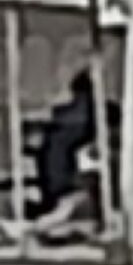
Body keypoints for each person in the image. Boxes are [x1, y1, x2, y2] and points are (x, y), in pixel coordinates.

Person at [37, 68, 98, 215]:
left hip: (63, 183)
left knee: (54, 146)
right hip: (62, 180)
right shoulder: (72, 114)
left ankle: (55, 191)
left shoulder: (79, 114)